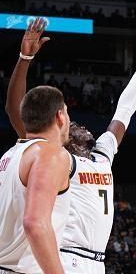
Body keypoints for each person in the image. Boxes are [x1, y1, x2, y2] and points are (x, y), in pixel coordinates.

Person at [5, 17, 136, 274]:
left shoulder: (101, 156)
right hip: (63, 257)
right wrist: (24, 58)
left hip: (97, 261)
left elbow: (124, 111)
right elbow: (15, 111)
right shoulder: (56, 157)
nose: (81, 127)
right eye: (72, 123)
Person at [1, 18, 71, 274]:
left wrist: (24, 58)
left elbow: (12, 108)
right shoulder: (49, 154)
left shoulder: (12, 154)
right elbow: (34, 222)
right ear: (60, 117)